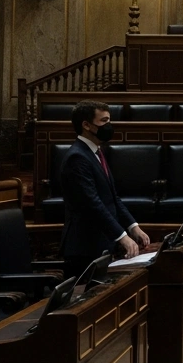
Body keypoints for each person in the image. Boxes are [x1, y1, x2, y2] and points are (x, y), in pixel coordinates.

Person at [59, 101, 151, 276]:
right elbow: (92, 204)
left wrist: (133, 227)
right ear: (86, 125)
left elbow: (112, 197)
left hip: (101, 242)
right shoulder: (77, 157)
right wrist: (121, 236)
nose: (109, 126)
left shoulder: (95, 152)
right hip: (85, 247)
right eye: (104, 121)